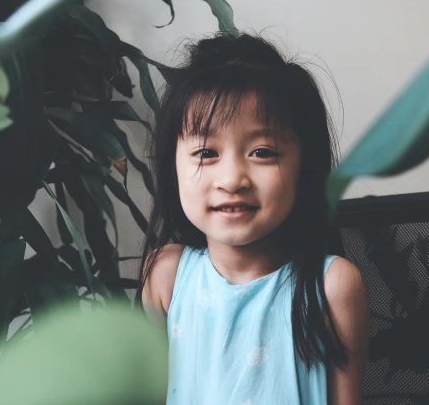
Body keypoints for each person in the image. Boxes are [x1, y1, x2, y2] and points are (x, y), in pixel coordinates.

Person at [137, 32, 370, 405]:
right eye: (206, 152)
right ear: (172, 167)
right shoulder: (165, 274)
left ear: (305, 169)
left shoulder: (333, 287)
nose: (232, 180)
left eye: (262, 151)